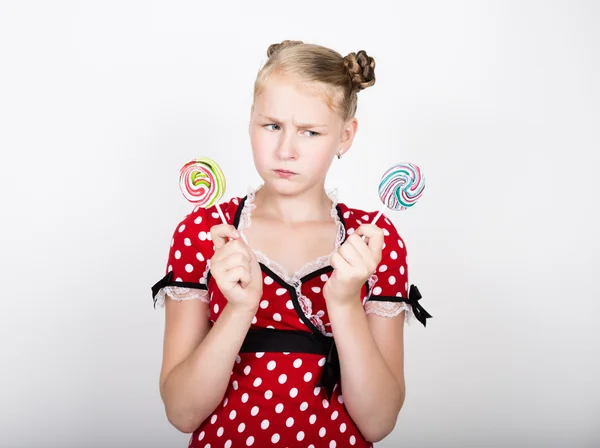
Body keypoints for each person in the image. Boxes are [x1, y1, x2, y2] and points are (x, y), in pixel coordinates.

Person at [151, 40, 432, 448]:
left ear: (345, 136)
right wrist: (239, 308)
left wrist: (344, 300)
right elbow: (181, 411)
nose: (286, 150)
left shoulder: (372, 242)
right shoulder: (206, 233)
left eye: (310, 132)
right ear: (250, 121)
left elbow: (379, 421)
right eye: (272, 126)